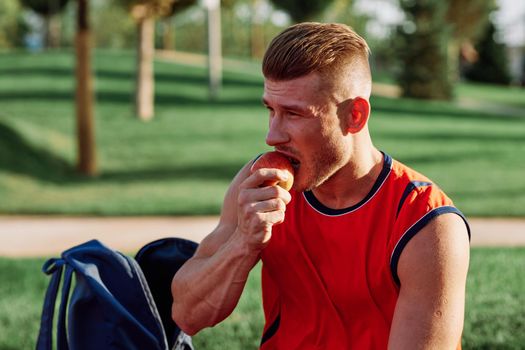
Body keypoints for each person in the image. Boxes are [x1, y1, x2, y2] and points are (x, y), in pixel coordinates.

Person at [171, 22, 470, 349]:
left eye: (294, 114)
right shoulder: (261, 185)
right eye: (271, 110)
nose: (272, 135)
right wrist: (243, 241)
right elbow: (187, 314)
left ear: (354, 116)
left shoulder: (426, 224)